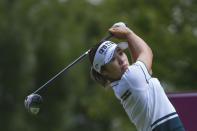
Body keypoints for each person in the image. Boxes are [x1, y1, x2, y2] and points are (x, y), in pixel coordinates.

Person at [88, 24, 185, 131]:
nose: (121, 60)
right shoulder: (131, 79)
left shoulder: (123, 83)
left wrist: (128, 37)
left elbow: (140, 68)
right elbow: (147, 53)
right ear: (104, 71)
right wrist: (128, 33)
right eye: (112, 59)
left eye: (120, 53)